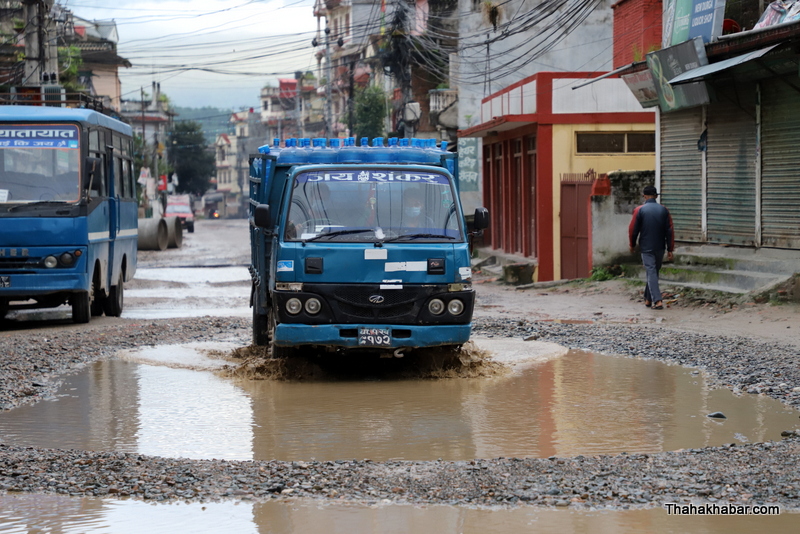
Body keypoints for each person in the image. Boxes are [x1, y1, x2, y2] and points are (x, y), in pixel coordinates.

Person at [629, 185, 674, 310]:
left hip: (646, 247)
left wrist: (632, 244)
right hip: (660, 247)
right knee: (654, 272)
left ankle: (657, 301)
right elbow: (669, 230)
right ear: (656, 196)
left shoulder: (639, 210)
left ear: (644, 196)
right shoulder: (664, 210)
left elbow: (633, 230)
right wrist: (670, 249)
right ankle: (648, 299)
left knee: (651, 272)